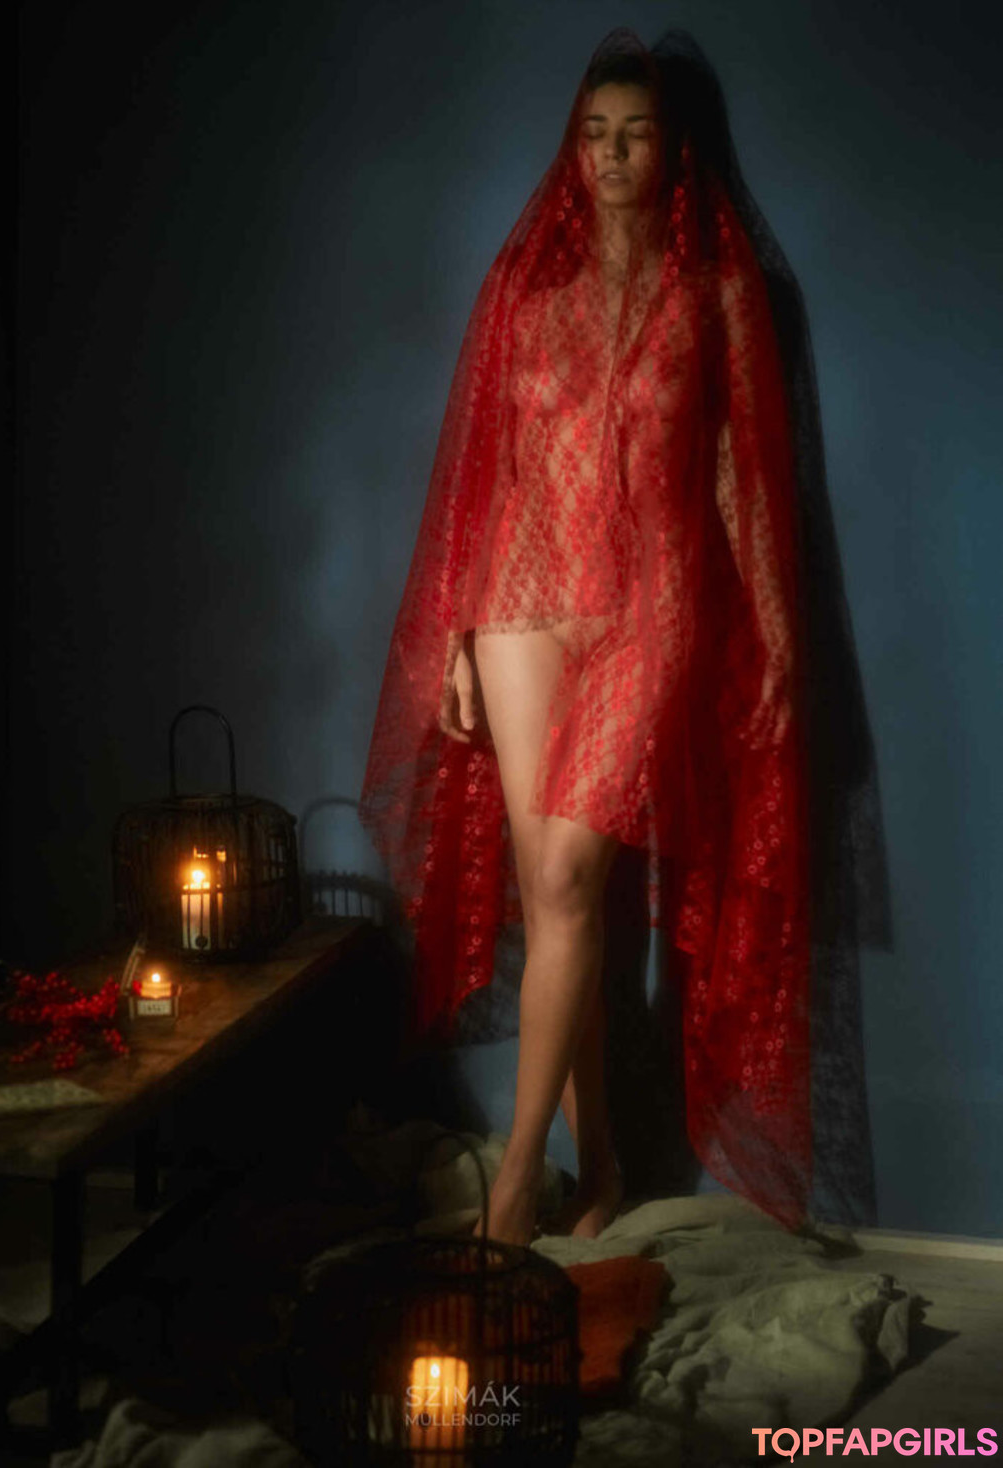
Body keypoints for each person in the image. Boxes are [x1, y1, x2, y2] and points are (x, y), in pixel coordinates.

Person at [359, 28, 814, 1247]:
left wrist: (774, 638)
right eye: (594, 135)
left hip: (649, 609)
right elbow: (484, 477)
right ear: (573, 152)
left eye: (637, 134)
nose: (612, 155)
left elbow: (742, 481)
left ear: (674, 153)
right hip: (519, 605)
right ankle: (598, 1165)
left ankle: (516, 1186)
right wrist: (457, 637)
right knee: (556, 896)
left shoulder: (717, 297)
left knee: (565, 882)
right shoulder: (526, 296)